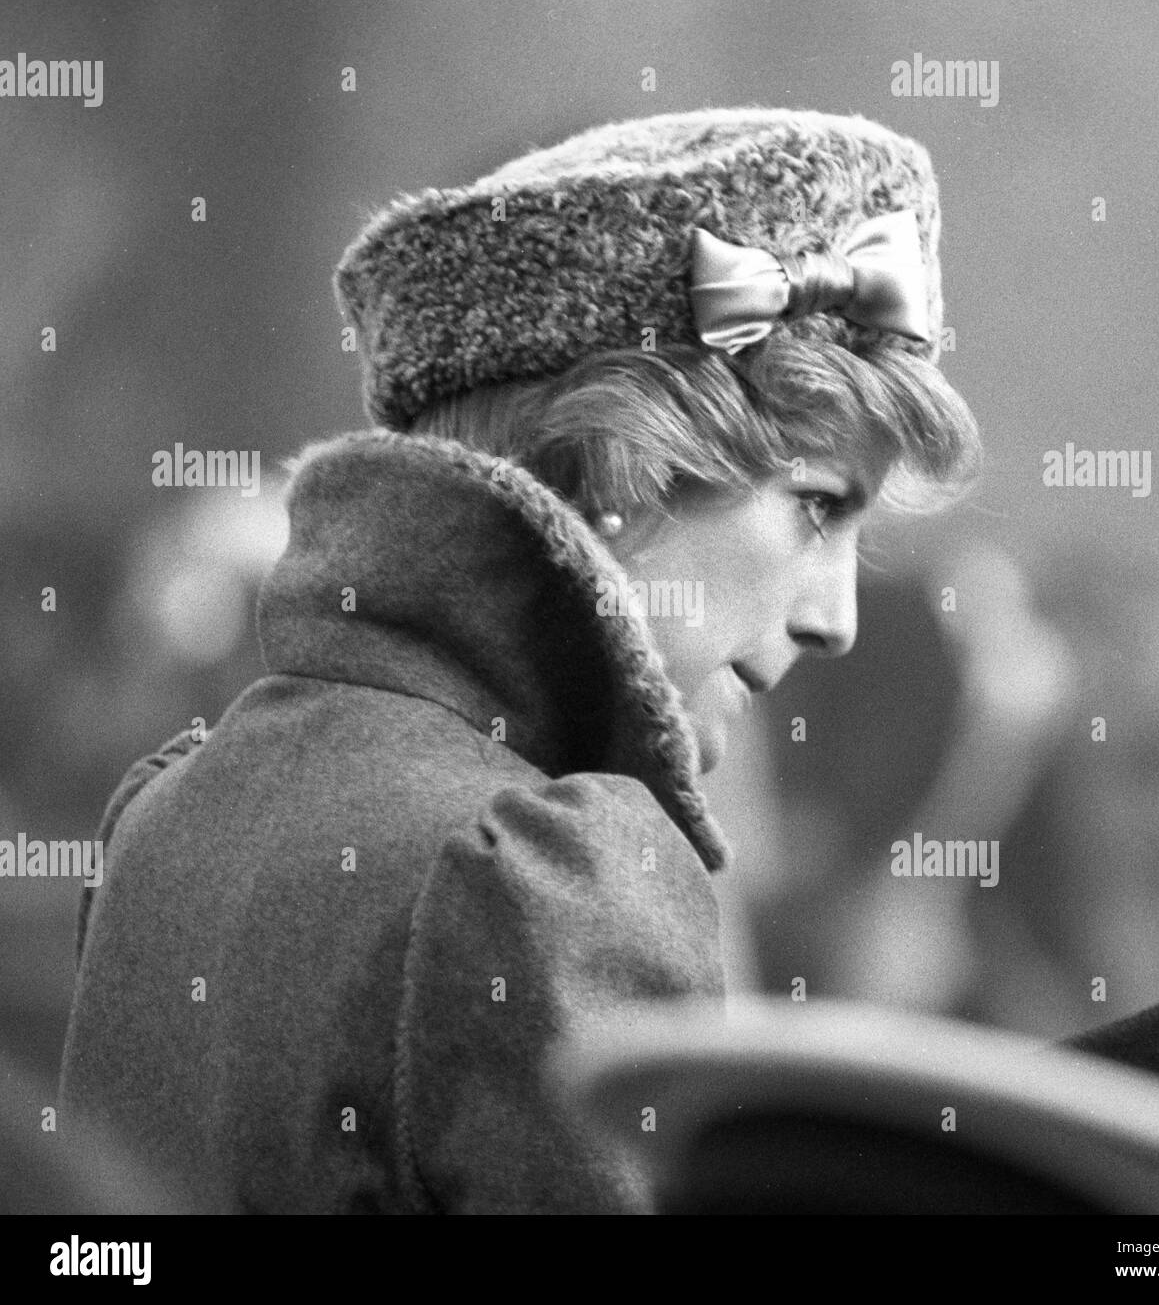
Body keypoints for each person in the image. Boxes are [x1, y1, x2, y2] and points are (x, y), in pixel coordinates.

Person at [56, 107, 981, 1213]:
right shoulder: (542, 867)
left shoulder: (169, 805)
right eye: (816, 506)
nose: (837, 617)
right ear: (622, 464)